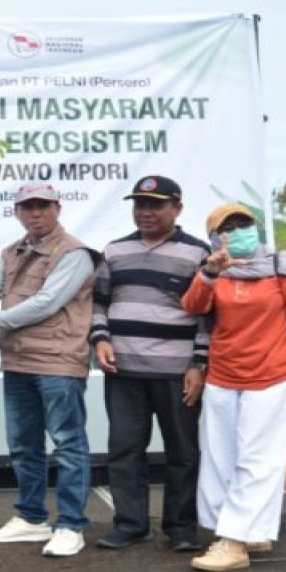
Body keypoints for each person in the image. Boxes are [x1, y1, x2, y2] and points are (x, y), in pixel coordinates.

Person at [0, 181, 98, 558]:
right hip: (17, 361)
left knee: (68, 443)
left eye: (43, 206)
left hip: (58, 363)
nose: (35, 213)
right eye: (27, 207)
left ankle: (70, 525)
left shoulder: (75, 253)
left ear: (57, 209)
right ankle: (31, 519)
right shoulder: (12, 251)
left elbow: (45, 304)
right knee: (23, 445)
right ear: (16, 212)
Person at [180, 203, 286, 572]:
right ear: (215, 238)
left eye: (243, 223)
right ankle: (243, 531)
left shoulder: (282, 266)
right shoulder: (217, 271)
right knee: (220, 459)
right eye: (227, 226)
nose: (238, 229)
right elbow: (192, 306)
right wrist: (210, 273)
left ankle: (234, 543)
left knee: (257, 460)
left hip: (271, 376)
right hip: (223, 376)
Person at [90, 176, 211, 552]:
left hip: (177, 373)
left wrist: (198, 364)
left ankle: (181, 528)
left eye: (155, 204)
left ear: (177, 208)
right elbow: (99, 303)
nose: (145, 212)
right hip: (124, 370)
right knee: (125, 449)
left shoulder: (198, 254)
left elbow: (209, 315)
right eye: (139, 204)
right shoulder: (115, 250)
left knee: (183, 451)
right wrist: (101, 338)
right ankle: (130, 524)